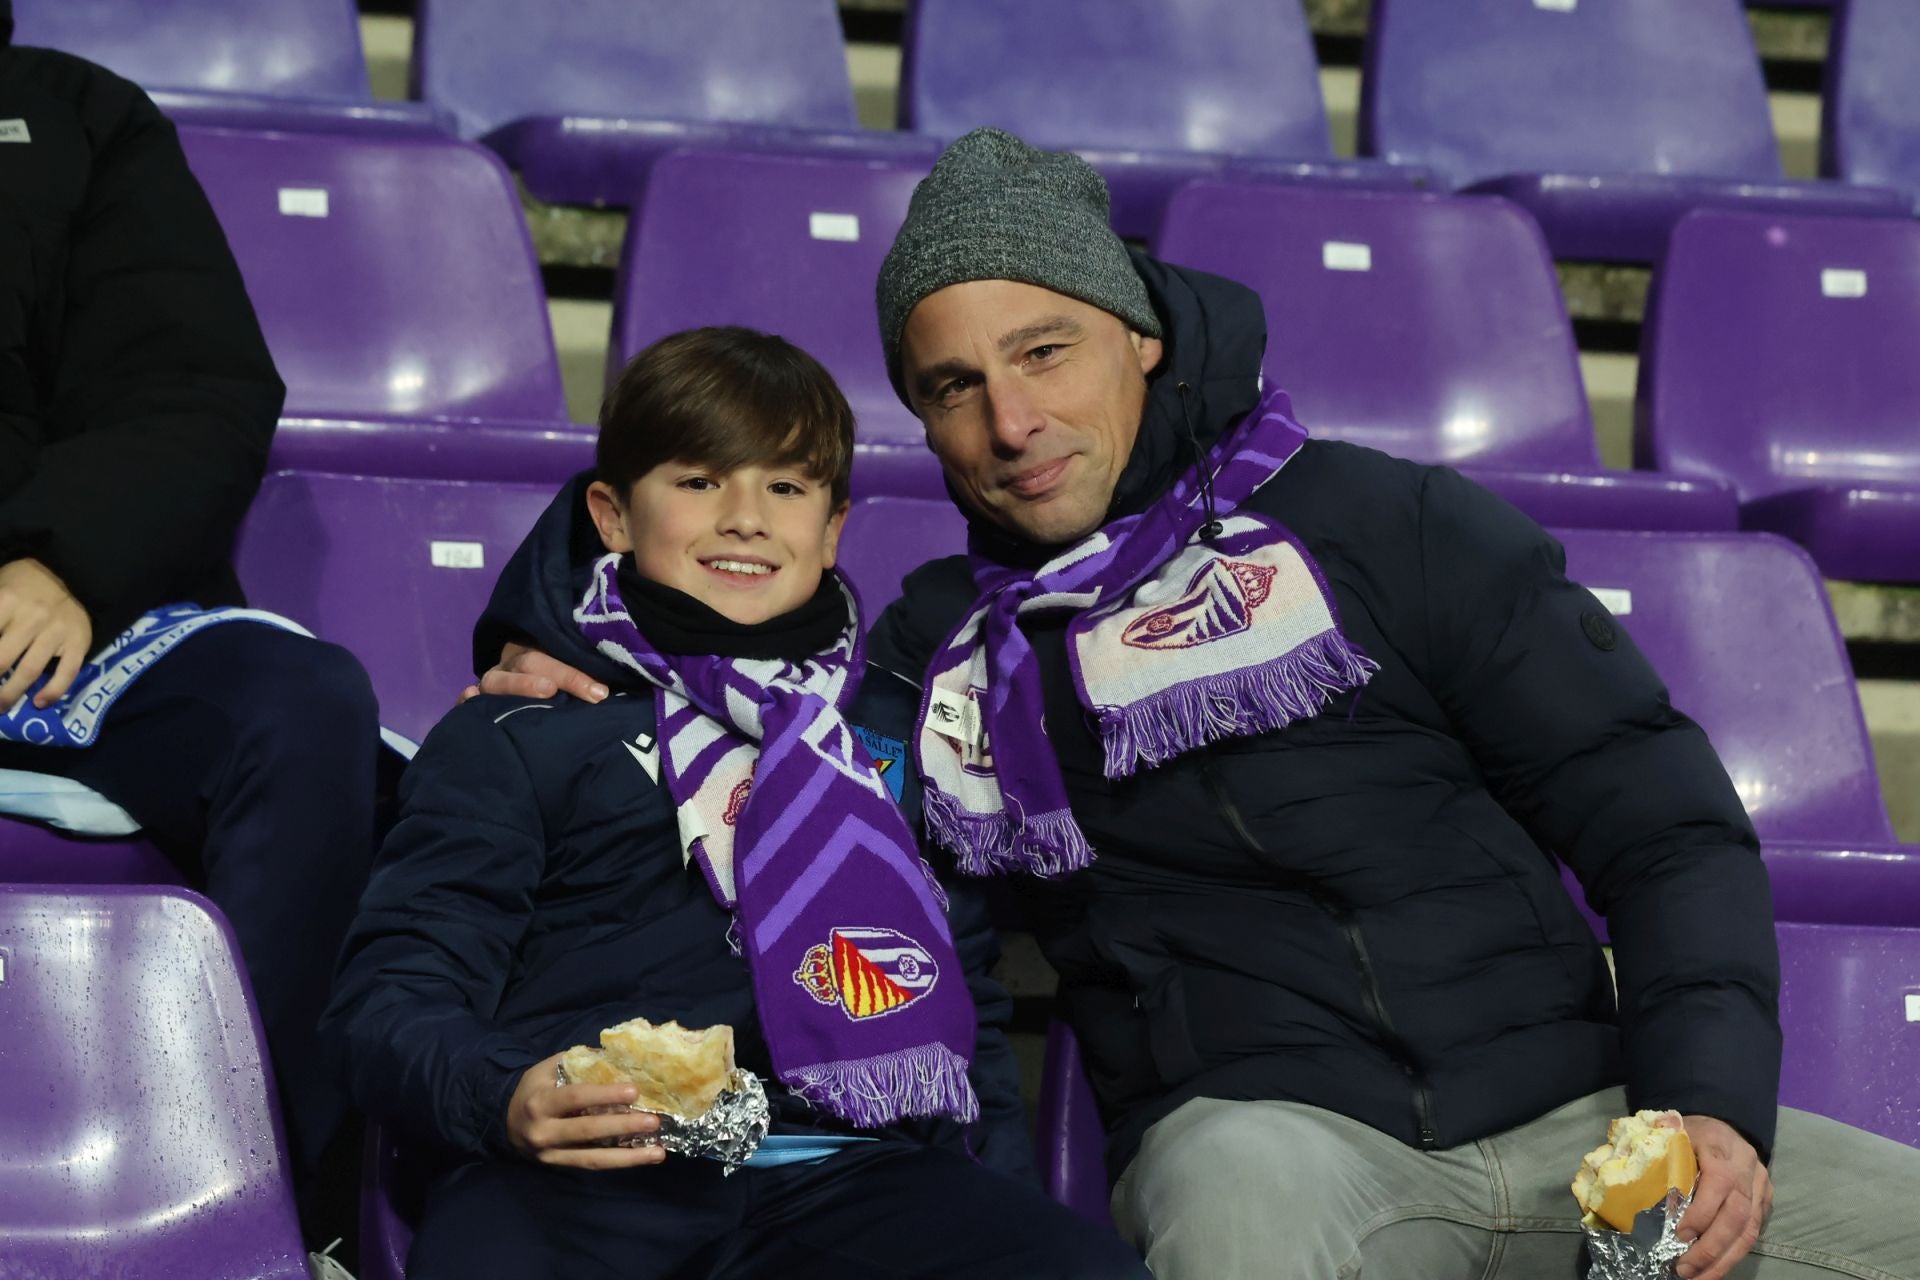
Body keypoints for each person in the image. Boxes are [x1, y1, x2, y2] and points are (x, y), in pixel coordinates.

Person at [477, 132, 1920, 1280]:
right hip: (1274, 1140)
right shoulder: (941, 652)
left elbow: (1664, 827)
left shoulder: (1389, 524)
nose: (1011, 423)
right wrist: (547, 627)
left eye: (1045, 351)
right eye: (955, 387)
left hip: (1581, 1113)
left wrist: (1704, 1106)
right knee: (1237, 1202)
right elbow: (724, 620)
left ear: (1142, 333)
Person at [328, 326, 1150, 1279]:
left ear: (833, 529)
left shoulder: (898, 731)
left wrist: (1001, 1195)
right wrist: (504, 1096)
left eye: (787, 488)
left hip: (853, 1175)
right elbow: (391, 999)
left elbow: (962, 1008)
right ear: (612, 515)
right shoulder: (525, 729)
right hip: (582, 1178)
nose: (746, 519)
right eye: (699, 480)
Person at [0, 5, 378, 1216]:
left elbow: (197, 380)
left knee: (303, 705)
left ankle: (267, 1204)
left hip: (63, 609)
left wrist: (61, 559)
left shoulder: (77, 115)